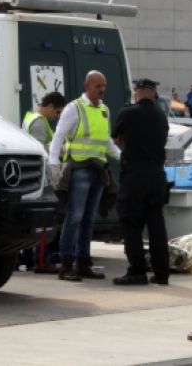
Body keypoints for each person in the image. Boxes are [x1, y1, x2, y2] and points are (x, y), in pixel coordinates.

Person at [48, 70, 121, 281]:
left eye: (104, 86)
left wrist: (121, 157)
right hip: (80, 169)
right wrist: (53, 164)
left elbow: (105, 140)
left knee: (88, 219)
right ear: (87, 86)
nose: (102, 90)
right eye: (98, 86)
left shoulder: (104, 110)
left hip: (98, 170)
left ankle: (83, 263)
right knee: (75, 217)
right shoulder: (74, 108)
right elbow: (59, 136)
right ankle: (66, 265)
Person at [111, 78, 170, 285]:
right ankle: (162, 273)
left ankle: (137, 270)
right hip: (156, 176)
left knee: (131, 224)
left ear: (136, 94)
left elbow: (116, 139)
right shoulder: (161, 116)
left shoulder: (126, 113)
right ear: (153, 94)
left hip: (134, 176)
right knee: (156, 225)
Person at [21, 91, 67, 274]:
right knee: (45, 221)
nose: (56, 117)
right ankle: (41, 260)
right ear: (49, 107)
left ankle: (30, 259)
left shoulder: (30, 117)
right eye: (57, 113)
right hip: (42, 179)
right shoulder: (40, 123)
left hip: (33, 179)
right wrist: (60, 147)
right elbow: (39, 150)